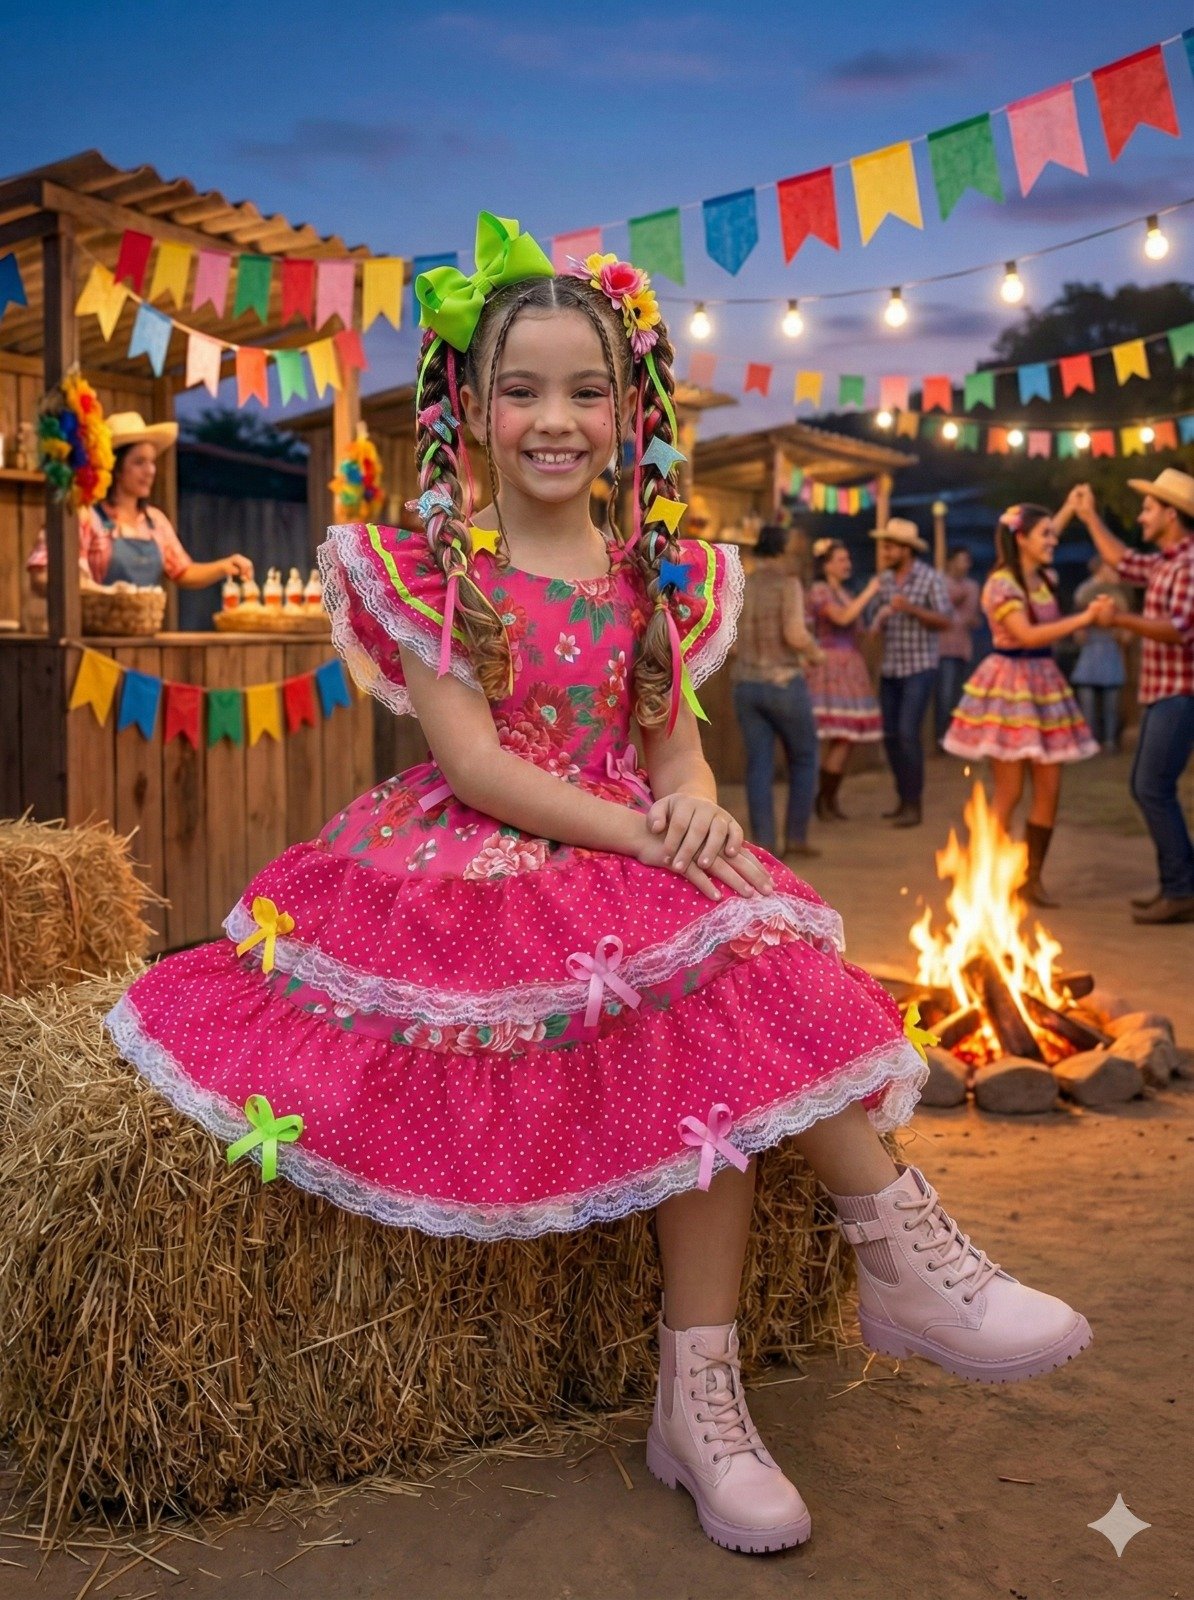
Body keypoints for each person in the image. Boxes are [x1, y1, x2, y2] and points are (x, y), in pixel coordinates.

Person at [103, 214, 1091, 1557]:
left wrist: (688, 810)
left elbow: (672, 747)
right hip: (481, 858)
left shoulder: (659, 577)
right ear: (472, 408)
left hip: (626, 847)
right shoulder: (434, 566)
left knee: (731, 976)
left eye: (586, 390)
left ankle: (721, 1383)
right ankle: (891, 1252)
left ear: (633, 417)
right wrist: (642, 839)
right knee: (698, 954)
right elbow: (477, 765)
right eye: (522, 390)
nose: (554, 419)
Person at [942, 505, 1100, 905]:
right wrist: (1085, 619)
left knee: (1050, 787)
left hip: (1044, 685)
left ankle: (1032, 879)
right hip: (1011, 685)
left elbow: (1039, 533)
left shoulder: (1043, 576)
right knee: (1009, 791)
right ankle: (987, 876)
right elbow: (1026, 634)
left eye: (1053, 532)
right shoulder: (1001, 583)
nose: (1053, 539)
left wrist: (1071, 509)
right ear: (1021, 540)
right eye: (1045, 534)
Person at [1063, 474, 1194, 924]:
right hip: (1165, 693)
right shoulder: (1165, 562)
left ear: (1171, 514)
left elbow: (1178, 629)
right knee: (1149, 787)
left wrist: (1118, 616)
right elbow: (1120, 559)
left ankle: (1181, 889)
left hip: (1180, 694)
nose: (1141, 516)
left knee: (1152, 788)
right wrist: (1088, 515)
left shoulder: (1190, 564)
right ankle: (1178, 885)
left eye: (1148, 509)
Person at [27, 412, 252, 598]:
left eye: (152, 462)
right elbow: (41, 576)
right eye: (139, 462)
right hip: (93, 640)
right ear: (114, 468)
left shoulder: (154, 521)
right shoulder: (87, 516)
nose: (150, 471)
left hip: (143, 640)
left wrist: (223, 566)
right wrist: (95, 592)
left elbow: (182, 571)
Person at [729, 523, 823, 860]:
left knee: (759, 765)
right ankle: (796, 837)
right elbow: (795, 634)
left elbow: (732, 644)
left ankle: (765, 845)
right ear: (783, 551)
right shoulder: (788, 584)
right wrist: (816, 654)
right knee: (805, 757)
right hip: (783, 681)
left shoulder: (741, 584)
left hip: (745, 684)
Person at [869, 518, 951, 827]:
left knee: (906, 734)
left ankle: (914, 804)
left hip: (920, 667)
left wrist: (912, 609)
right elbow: (880, 612)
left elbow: (946, 620)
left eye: (889, 546)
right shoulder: (885, 581)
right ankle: (903, 800)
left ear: (905, 549)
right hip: (891, 668)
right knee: (891, 737)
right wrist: (877, 621)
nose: (885, 552)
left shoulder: (930, 578)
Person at [804, 537, 882, 820]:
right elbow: (842, 618)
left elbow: (855, 625)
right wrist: (871, 591)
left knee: (846, 737)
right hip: (829, 666)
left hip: (849, 666)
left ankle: (827, 799)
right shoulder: (820, 590)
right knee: (835, 736)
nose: (847, 564)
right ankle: (823, 800)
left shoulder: (843, 592)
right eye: (841, 560)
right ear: (826, 565)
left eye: (848, 559)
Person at [1070, 556, 1131, 753]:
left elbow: (1127, 629)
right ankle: (1088, 741)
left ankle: (1110, 740)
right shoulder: (1084, 591)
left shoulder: (1119, 592)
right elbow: (1078, 625)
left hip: (1111, 650)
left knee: (1111, 704)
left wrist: (1120, 632)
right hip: (1090, 650)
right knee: (1087, 702)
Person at [935, 546, 981, 744]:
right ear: (950, 562)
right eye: (962, 559)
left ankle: (958, 737)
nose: (966, 565)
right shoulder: (938, 583)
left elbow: (975, 616)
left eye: (968, 560)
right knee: (944, 696)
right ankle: (941, 737)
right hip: (942, 649)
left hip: (965, 648)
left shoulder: (973, 586)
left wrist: (975, 622)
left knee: (962, 697)